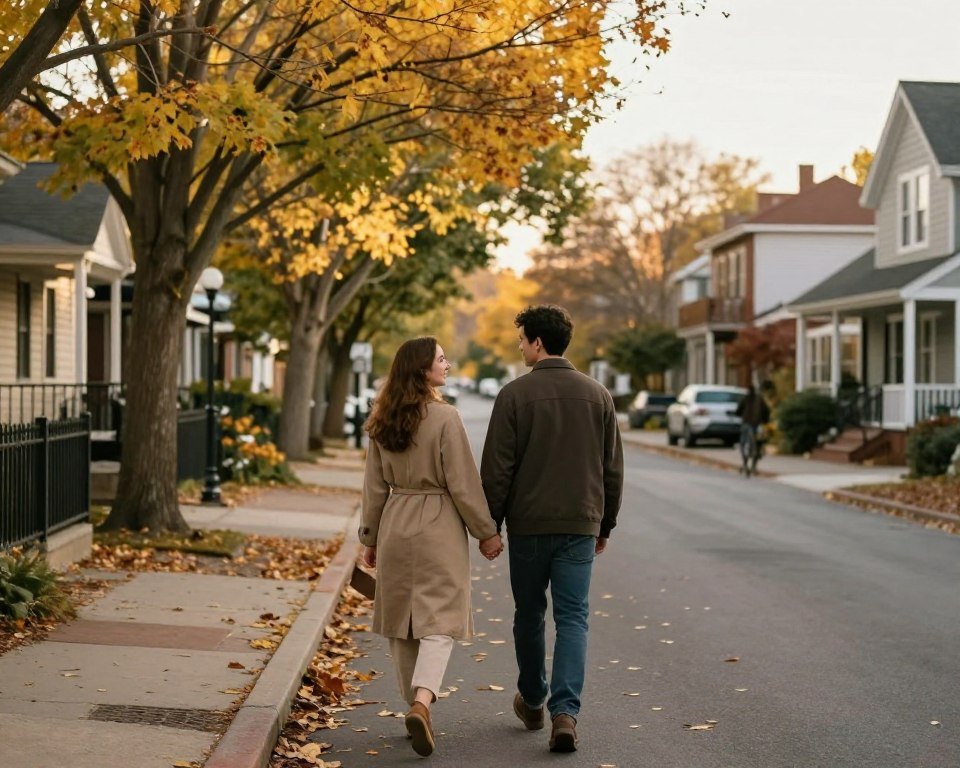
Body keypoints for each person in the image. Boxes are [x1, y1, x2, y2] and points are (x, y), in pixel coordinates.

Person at [480, 305, 623, 753]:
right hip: (580, 524)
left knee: (529, 613)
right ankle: (566, 713)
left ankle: (535, 698)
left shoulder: (514, 395)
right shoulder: (598, 395)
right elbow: (612, 470)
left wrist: (490, 525)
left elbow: (497, 469)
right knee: (573, 617)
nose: (520, 346)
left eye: (522, 339)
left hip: (528, 526)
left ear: (538, 343)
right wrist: (605, 524)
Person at [359, 336, 503, 758]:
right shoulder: (445, 418)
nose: (448, 365)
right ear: (423, 369)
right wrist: (486, 532)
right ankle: (423, 701)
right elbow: (462, 482)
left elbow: (373, 486)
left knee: (402, 619)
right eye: (441, 359)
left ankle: (413, 706)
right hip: (438, 522)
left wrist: (369, 536)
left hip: (396, 521)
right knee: (440, 619)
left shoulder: (381, 417)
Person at [736, 384, 771, 475]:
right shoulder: (760, 399)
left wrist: (739, 415)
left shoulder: (745, 399)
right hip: (757, 424)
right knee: (758, 443)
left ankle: (745, 464)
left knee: (743, 444)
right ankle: (754, 467)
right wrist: (765, 421)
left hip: (746, 423)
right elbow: (766, 411)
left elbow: (738, 411)